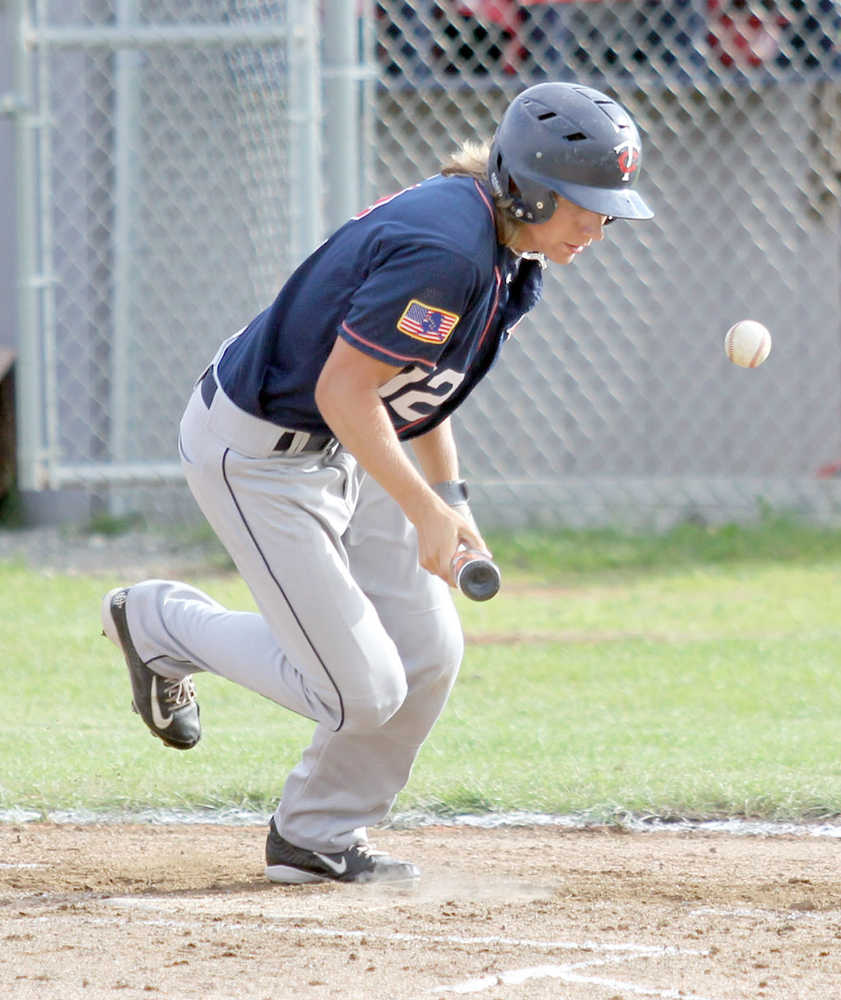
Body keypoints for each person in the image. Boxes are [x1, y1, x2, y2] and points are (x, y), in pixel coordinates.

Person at [101, 82, 653, 885]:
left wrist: (450, 505)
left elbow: (417, 393)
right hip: (259, 454)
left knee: (427, 653)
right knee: (360, 690)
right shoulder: (446, 251)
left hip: (348, 441)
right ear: (529, 189)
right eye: (583, 203)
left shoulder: (507, 251)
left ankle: (315, 836)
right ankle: (158, 622)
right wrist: (421, 510)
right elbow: (344, 392)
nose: (598, 227)